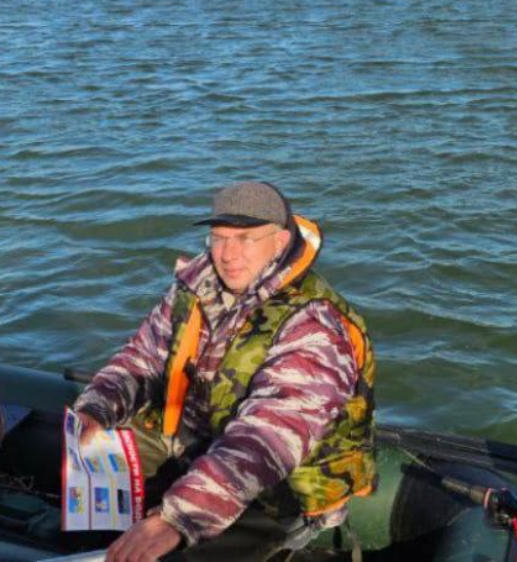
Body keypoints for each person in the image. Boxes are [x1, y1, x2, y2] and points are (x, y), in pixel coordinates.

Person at [74, 182, 376, 562]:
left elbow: (267, 438)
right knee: (91, 457)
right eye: (219, 237)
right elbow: (141, 359)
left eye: (246, 239)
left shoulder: (314, 325)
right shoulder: (195, 290)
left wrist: (179, 518)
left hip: (280, 487)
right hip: (199, 444)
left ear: (280, 242)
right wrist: (94, 410)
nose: (228, 254)